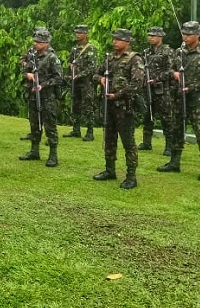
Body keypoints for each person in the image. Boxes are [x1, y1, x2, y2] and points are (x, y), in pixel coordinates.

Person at [157, 20, 200, 181]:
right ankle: (174, 162)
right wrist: (174, 74)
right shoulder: (179, 52)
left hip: (197, 100)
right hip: (178, 98)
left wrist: (191, 87)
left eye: (189, 34)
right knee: (176, 129)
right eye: (183, 33)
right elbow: (169, 69)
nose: (185, 36)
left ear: (197, 35)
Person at [92, 29, 145, 189]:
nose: (114, 42)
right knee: (109, 139)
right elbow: (95, 74)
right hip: (109, 106)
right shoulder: (109, 59)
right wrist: (100, 79)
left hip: (124, 107)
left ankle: (131, 176)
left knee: (128, 142)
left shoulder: (134, 59)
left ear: (127, 42)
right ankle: (110, 170)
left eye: (118, 39)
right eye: (114, 39)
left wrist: (118, 95)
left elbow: (137, 84)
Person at [18, 28, 63, 166]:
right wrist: (28, 75)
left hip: (47, 97)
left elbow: (59, 78)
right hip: (33, 95)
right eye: (35, 41)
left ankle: (53, 154)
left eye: (38, 41)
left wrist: (43, 85)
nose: (35, 44)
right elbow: (24, 71)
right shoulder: (33, 56)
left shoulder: (52, 58)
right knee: (34, 124)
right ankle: (34, 151)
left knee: (50, 125)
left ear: (46, 43)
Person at [141, 26, 179, 156]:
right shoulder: (146, 52)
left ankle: (169, 146)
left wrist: (156, 79)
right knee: (147, 115)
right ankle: (146, 142)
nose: (150, 38)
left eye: (153, 36)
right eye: (149, 35)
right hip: (148, 88)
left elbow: (171, 71)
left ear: (160, 37)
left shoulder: (168, 51)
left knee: (167, 118)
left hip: (163, 90)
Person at [66, 24, 98, 141]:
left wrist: (79, 75)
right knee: (75, 105)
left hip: (86, 83)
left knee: (88, 106)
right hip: (75, 82)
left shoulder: (91, 49)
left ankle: (90, 132)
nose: (77, 35)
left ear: (86, 34)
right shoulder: (74, 49)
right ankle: (76, 129)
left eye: (80, 33)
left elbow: (92, 68)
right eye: (76, 33)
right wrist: (71, 68)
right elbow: (69, 62)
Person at [17, 27, 46, 141]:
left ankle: (47, 136)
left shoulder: (50, 54)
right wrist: (27, 71)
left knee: (45, 114)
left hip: (43, 88)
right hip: (30, 86)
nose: (35, 42)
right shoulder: (31, 51)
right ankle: (34, 134)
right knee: (32, 113)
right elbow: (22, 62)